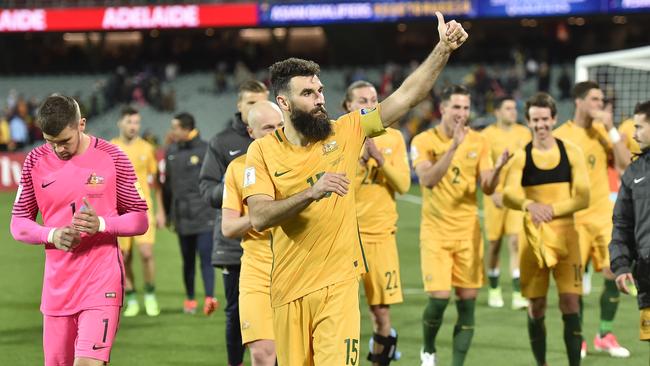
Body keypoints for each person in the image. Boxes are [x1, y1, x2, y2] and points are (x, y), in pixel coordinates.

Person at [243, 12, 468, 365]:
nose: (319, 99)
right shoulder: (261, 151)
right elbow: (258, 216)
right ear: (284, 103)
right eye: (307, 93)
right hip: (288, 291)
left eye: (319, 90)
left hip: (338, 287)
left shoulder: (346, 130)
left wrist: (443, 49)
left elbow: (407, 96)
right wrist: (309, 193)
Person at [10, 94, 149, 366]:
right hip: (57, 288)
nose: (59, 149)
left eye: (65, 141)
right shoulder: (35, 161)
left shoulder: (113, 157)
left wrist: (103, 225)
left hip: (101, 282)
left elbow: (139, 219)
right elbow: (18, 224)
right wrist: (51, 234)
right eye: (51, 142)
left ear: (81, 124)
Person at [411, 84, 510, 366]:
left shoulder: (479, 142)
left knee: (467, 305)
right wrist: (454, 146)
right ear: (443, 108)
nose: (461, 113)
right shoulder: (423, 140)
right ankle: (428, 349)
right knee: (440, 300)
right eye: (456, 107)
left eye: (466, 108)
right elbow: (428, 180)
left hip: (468, 235)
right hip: (436, 234)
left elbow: (488, 188)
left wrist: (499, 169)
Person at [503, 92, 590, 366]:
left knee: (570, 303)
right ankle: (542, 363)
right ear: (528, 122)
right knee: (536, 306)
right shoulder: (521, 157)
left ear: (554, 119)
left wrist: (551, 209)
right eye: (534, 120)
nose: (540, 125)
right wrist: (530, 205)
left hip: (567, 239)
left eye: (544, 119)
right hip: (534, 242)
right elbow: (508, 195)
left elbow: (583, 198)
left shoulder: (571, 152)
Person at [554, 81, 632, 358]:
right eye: (595, 99)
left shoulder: (603, 133)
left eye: (601, 100)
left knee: (615, 272)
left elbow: (624, 165)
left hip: (602, 216)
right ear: (579, 101)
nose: (600, 104)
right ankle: (580, 338)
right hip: (573, 220)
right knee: (574, 285)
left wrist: (611, 129)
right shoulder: (561, 135)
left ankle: (605, 333)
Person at [199, 80, 269, 366]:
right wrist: (235, 185)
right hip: (234, 242)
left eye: (262, 101)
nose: (257, 108)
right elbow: (206, 190)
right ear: (239, 106)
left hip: (273, 244)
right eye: (251, 102)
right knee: (236, 312)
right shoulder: (222, 142)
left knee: (274, 314)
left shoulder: (279, 138)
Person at [342, 80, 410, 365]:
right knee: (341, 313)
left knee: (381, 313)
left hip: (380, 238)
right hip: (344, 239)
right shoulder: (339, 140)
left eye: (373, 99)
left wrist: (380, 159)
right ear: (348, 106)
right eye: (362, 101)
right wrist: (356, 159)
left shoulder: (393, 138)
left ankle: (380, 359)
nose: (369, 105)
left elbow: (404, 185)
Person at [221, 101, 284, 366]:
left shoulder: (302, 160)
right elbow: (228, 227)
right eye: (268, 127)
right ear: (250, 132)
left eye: (280, 126)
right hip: (256, 270)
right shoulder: (238, 168)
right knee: (261, 353)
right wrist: (260, 215)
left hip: (297, 267)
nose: (276, 132)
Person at [111, 106, 165, 317]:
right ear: (120, 123)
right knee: (124, 256)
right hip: (119, 211)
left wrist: (161, 211)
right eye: (129, 122)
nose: (133, 126)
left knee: (146, 253)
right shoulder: (111, 147)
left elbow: (157, 183)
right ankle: (132, 296)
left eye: (136, 122)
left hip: (143, 209)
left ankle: (150, 294)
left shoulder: (146, 148)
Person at [163, 112, 218, 315]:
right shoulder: (171, 152)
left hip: (204, 215)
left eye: (175, 127)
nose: (172, 131)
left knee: (205, 258)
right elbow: (167, 187)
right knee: (187, 261)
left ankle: (210, 298)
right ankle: (190, 299)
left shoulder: (206, 149)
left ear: (187, 129)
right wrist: (169, 214)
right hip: (182, 216)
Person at [480, 96, 532, 309]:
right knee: (494, 243)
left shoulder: (525, 133)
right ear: (497, 112)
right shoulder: (486, 135)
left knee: (516, 242)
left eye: (514, 108)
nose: (513, 111)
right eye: (508, 108)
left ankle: (518, 292)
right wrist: (492, 193)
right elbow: (483, 166)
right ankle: (494, 287)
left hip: (516, 196)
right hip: (494, 196)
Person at [610, 100, 650, 350]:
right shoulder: (634, 171)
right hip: (647, 278)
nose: (634, 134)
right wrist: (621, 264)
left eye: (639, 127)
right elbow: (622, 224)